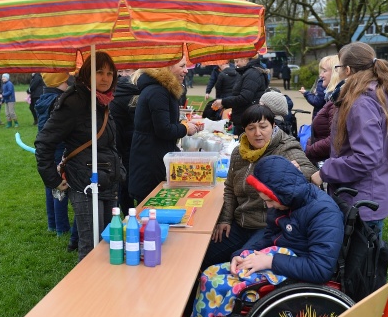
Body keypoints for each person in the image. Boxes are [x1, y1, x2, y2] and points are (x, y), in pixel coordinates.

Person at [181, 155, 345, 317]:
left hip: (295, 273)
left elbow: (321, 268)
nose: (267, 205)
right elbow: (268, 236)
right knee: (209, 274)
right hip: (281, 260)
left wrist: (269, 261)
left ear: (283, 194)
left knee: (223, 287)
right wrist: (242, 254)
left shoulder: (323, 213)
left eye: (270, 200)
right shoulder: (289, 202)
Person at [201, 93, 317, 272]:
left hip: (267, 227)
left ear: (273, 126)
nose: (258, 133)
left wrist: (297, 171)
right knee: (202, 258)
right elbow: (230, 188)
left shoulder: (285, 148)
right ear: (244, 130)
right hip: (240, 223)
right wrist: (225, 219)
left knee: (241, 261)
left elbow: (309, 171)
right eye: (251, 128)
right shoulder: (239, 153)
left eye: (263, 126)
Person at [35, 52, 124, 261]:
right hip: (84, 183)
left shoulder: (104, 101)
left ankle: (107, 290)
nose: (105, 78)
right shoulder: (74, 101)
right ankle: (86, 292)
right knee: (91, 248)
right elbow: (44, 142)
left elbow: (109, 144)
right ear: (86, 74)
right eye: (99, 72)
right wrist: (53, 180)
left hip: (108, 182)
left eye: (110, 73)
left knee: (109, 243)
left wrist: (119, 170)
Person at [311, 42, 388, 238]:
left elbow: (366, 158)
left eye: (338, 67)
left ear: (348, 70)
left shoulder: (362, 102)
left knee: (360, 266)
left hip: (361, 201)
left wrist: (325, 172)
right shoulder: (376, 93)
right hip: (366, 195)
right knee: (364, 263)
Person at [128, 57, 200, 203]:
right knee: (150, 210)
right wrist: (185, 128)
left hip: (152, 158)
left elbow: (162, 123)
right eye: (182, 66)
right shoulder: (158, 92)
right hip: (150, 163)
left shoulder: (160, 90)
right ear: (168, 68)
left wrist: (182, 124)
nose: (186, 70)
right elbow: (164, 130)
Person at [34, 73, 78, 246]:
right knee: (61, 187)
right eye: (67, 81)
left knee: (50, 184)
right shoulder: (58, 102)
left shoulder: (44, 99)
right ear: (61, 83)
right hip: (57, 148)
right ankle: (62, 227)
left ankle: (53, 224)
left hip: (47, 148)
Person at [211, 56, 268, 135]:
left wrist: (223, 102)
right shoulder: (248, 72)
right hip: (242, 116)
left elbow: (244, 97)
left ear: (245, 59)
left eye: (237, 61)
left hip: (246, 118)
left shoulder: (251, 73)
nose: (236, 64)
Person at [109, 69, 140, 213]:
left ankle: (129, 215)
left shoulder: (115, 93)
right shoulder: (142, 91)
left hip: (124, 148)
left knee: (124, 186)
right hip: (137, 147)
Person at [305, 55, 342, 166]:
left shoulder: (337, 100)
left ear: (336, 72)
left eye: (324, 71)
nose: (321, 75)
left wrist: (310, 149)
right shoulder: (331, 97)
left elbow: (335, 139)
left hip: (328, 162)